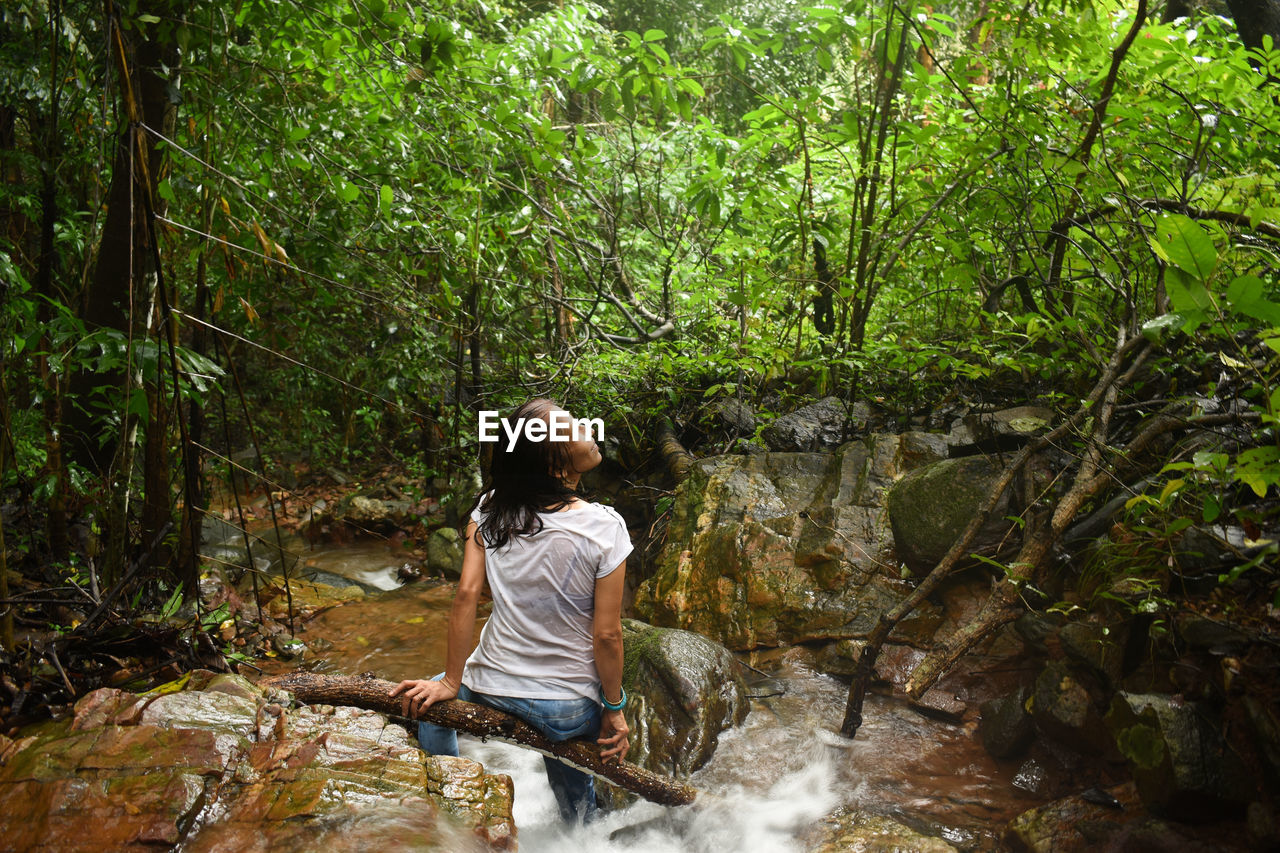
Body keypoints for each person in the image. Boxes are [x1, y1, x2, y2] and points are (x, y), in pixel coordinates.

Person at [391, 398, 632, 824]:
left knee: (429, 703)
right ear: (555, 465)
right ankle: (581, 831)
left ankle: (453, 811)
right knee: (576, 790)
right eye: (573, 429)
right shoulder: (604, 527)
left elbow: (466, 595)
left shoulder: (491, 511)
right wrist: (615, 709)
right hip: (568, 707)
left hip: (492, 686)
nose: (587, 429)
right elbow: (607, 635)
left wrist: (450, 680)